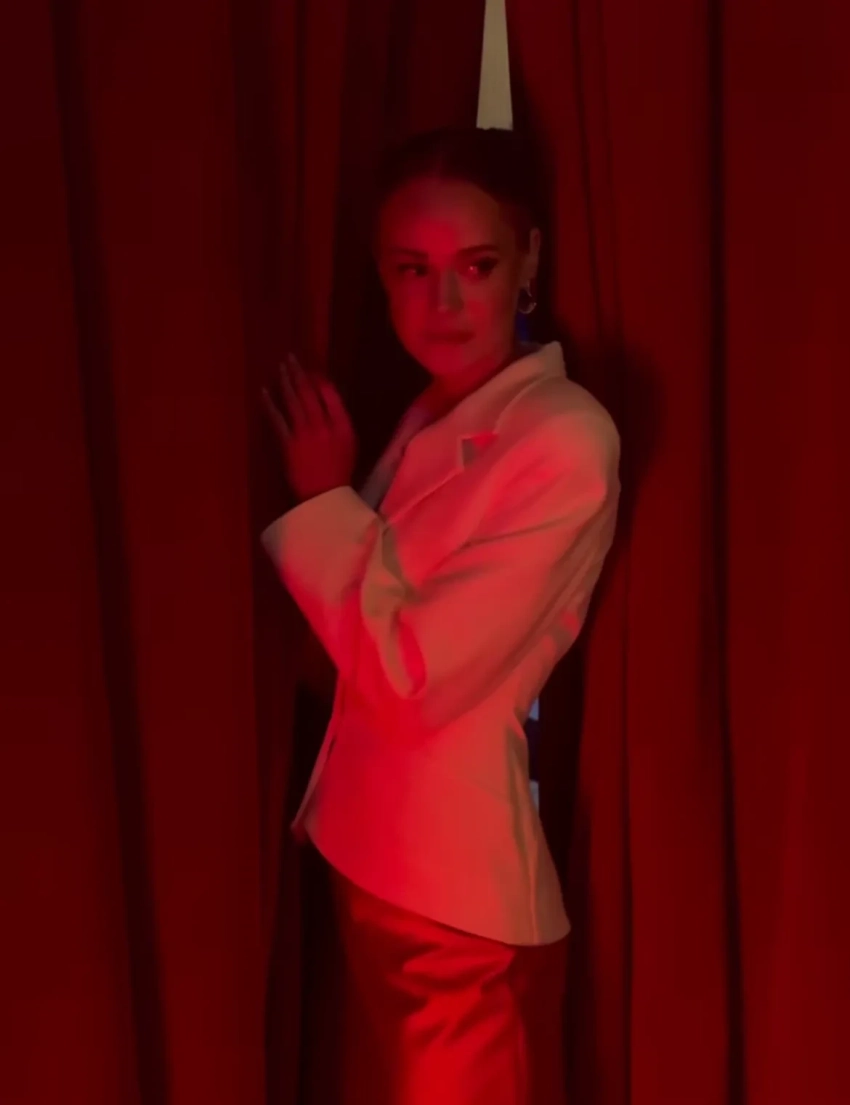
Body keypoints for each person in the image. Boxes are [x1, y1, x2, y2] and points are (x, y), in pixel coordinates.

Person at [261, 126, 620, 1105]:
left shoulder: (564, 438)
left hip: (456, 908)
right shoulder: (429, 410)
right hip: (375, 866)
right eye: (413, 270)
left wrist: (323, 501)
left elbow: (413, 677)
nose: (445, 303)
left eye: (477, 265)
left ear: (529, 260)